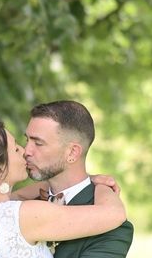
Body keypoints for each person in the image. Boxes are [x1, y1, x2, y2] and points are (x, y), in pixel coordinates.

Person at [0, 114, 127, 258]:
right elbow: (114, 214)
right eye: (15, 148)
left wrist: (86, 177)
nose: (25, 151)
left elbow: (18, 196)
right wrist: (100, 185)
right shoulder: (22, 216)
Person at [20, 100, 134, 257]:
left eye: (38, 143)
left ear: (72, 153)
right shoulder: (19, 204)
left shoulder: (113, 228)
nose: (26, 151)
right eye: (27, 140)